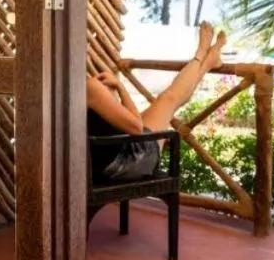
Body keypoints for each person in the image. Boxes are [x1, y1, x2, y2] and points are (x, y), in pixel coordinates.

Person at [87, 22, 226, 181]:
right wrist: (119, 87)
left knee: (168, 102)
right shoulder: (89, 88)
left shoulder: (61, 91)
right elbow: (137, 128)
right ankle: (202, 55)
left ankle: (208, 60)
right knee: (169, 99)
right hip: (127, 162)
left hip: (95, 163)